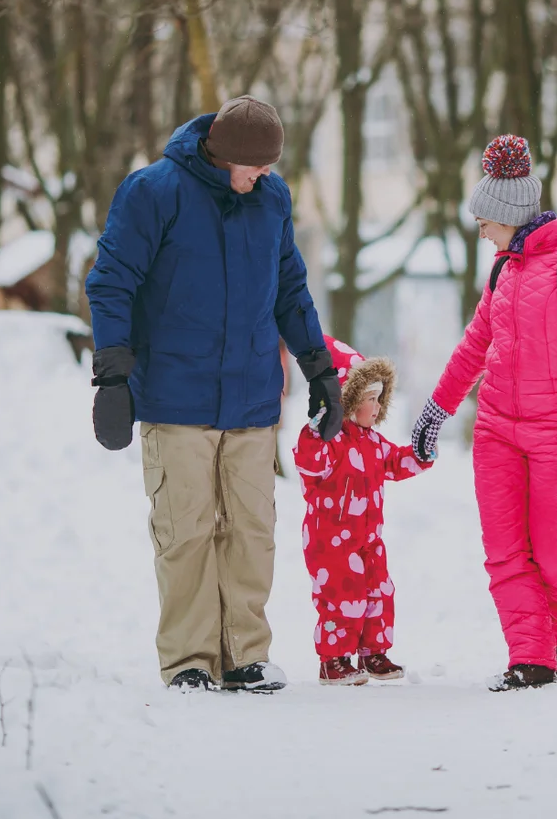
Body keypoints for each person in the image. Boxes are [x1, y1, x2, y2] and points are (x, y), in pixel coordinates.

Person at [85, 95, 344, 693]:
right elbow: (111, 283)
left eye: (270, 168)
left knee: (252, 528)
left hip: (252, 396)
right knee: (187, 530)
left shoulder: (271, 199)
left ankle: (245, 654)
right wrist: (113, 376)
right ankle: (190, 661)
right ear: (222, 155)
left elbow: (290, 288)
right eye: (256, 167)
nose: (266, 177)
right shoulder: (154, 192)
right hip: (176, 396)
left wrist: (318, 368)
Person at [409, 135, 557, 691]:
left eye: (485, 220)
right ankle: (530, 656)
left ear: (509, 214)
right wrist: (438, 407)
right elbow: (475, 343)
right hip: (497, 429)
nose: (480, 230)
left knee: (554, 550)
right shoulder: (503, 272)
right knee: (505, 550)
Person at [293, 336, 434, 685]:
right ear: (348, 401)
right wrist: (318, 429)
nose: (376, 406)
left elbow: (396, 463)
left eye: (378, 399)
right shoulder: (329, 441)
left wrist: (420, 452)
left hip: (369, 539)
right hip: (331, 542)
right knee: (342, 597)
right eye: (369, 399)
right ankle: (333, 659)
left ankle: (373, 652)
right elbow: (308, 464)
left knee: (379, 592)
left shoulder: (373, 442)